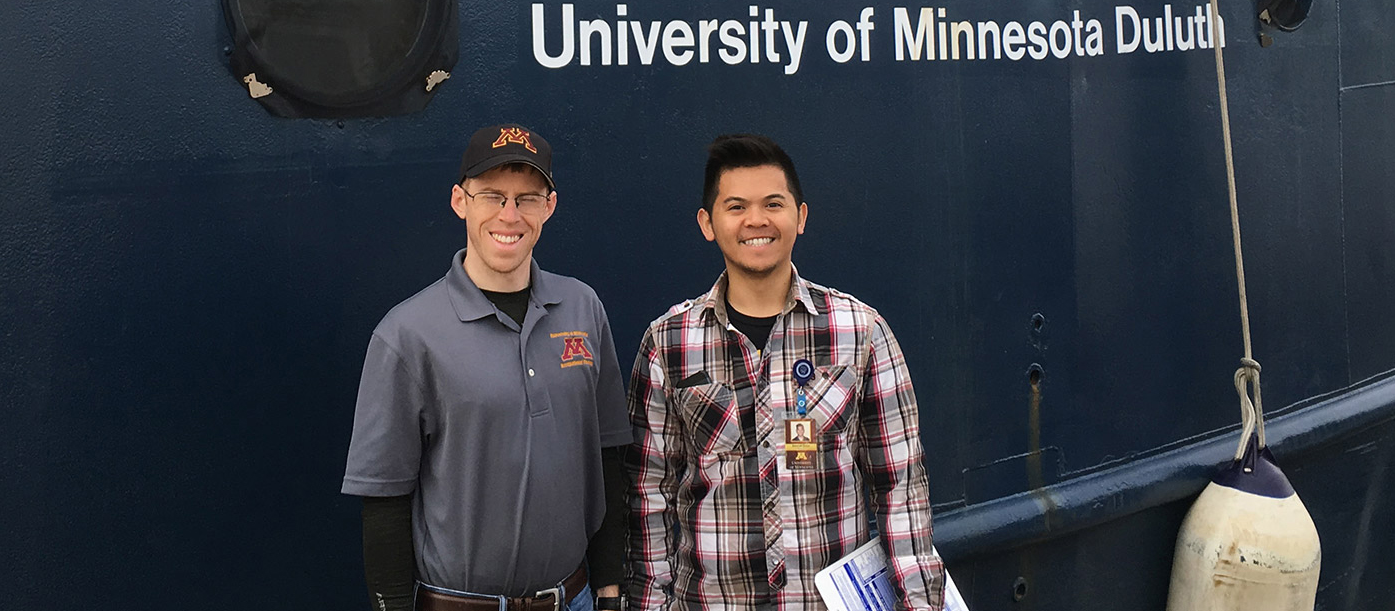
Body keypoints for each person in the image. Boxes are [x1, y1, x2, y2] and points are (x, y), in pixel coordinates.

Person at [626, 134, 946, 611]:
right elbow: (647, 497)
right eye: (735, 206)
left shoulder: (860, 332)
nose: (756, 220)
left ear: (800, 216)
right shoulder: (668, 343)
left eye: (773, 203)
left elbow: (901, 490)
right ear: (707, 224)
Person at [342, 124, 632, 611]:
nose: (510, 215)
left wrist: (608, 589)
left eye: (528, 199)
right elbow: (385, 500)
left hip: (574, 597)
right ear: (460, 201)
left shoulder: (583, 309)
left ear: (550, 206)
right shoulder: (407, 334)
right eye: (492, 196)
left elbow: (606, 457)